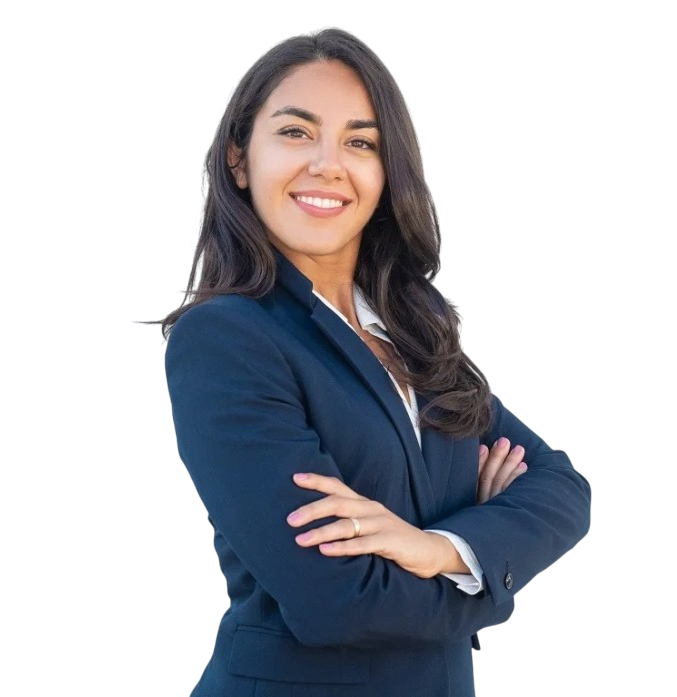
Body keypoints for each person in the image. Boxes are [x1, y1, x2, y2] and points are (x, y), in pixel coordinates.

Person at [151, 25, 591, 697]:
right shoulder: (227, 340)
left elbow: (561, 488)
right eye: (296, 132)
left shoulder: (420, 329)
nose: (328, 164)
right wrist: (490, 561)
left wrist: (435, 548)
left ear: (387, 175)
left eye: (361, 142)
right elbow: (337, 602)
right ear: (240, 159)